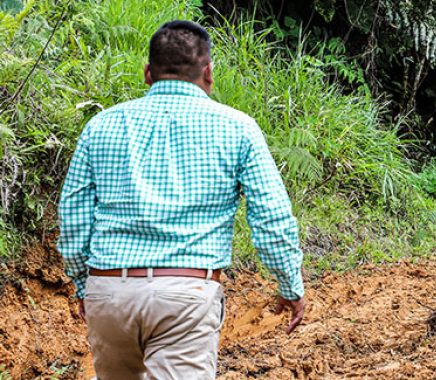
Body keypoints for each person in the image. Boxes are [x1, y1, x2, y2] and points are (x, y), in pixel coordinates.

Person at [57, 20, 306, 379]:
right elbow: (271, 217)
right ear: (208, 73)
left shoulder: (101, 126)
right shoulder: (238, 128)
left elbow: (73, 216)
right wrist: (289, 285)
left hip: (109, 293)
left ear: (147, 73)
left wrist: (83, 285)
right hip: (186, 294)